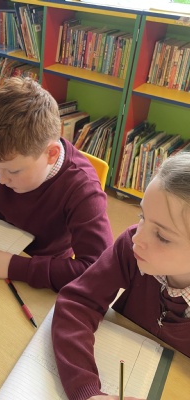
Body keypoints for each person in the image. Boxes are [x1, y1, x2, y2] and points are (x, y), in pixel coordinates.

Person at [0, 76, 113, 291]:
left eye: (13, 171)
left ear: (52, 154)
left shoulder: (83, 191)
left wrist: (14, 267)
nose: (1, 179)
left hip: (39, 269)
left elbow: (98, 271)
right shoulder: (4, 154)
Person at [52, 151, 190, 400]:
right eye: (142, 217)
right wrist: (87, 391)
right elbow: (77, 303)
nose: (138, 237)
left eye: (162, 236)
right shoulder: (131, 247)